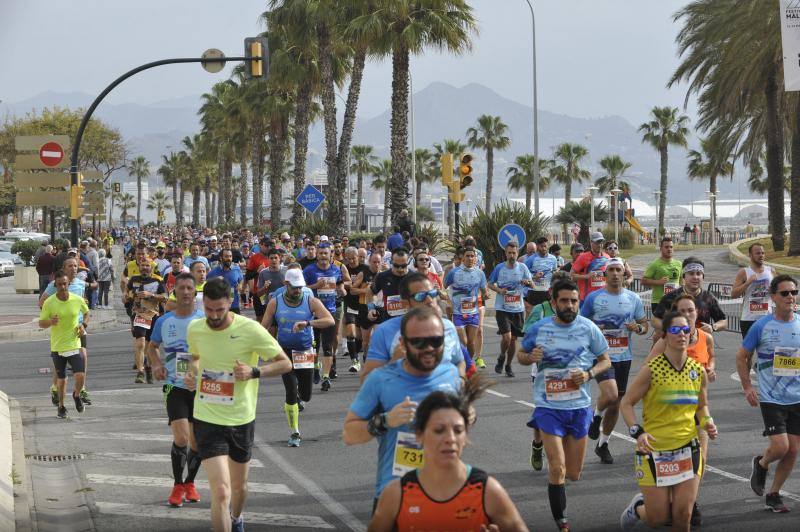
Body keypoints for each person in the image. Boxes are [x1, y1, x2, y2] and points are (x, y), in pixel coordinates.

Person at [183, 277, 292, 532]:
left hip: (240, 418)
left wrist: (254, 371)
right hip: (207, 416)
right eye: (209, 309)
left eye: (220, 310)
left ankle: (237, 517)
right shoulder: (196, 328)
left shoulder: (251, 329)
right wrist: (190, 374)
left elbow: (285, 363)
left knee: (239, 488)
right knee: (221, 492)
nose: (214, 315)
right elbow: (193, 357)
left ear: (230, 303)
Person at [369, 377, 528, 532]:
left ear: (465, 436)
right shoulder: (396, 495)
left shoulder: (488, 492)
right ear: (419, 435)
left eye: (458, 430)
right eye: (439, 430)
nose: (450, 439)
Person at [343, 307, 462, 512]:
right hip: (396, 497)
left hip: (445, 497)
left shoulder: (451, 374)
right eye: (418, 342)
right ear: (402, 343)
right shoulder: (380, 379)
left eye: (436, 341)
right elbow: (349, 434)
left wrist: (468, 416)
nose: (429, 348)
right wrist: (386, 420)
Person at [517, 278, 611, 531]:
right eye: (564, 301)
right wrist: (530, 357)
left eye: (573, 301)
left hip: (579, 407)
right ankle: (562, 522)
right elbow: (521, 354)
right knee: (557, 469)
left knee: (573, 473)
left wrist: (589, 374)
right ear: (553, 302)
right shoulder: (540, 328)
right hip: (548, 406)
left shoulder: (589, 328)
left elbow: (605, 360)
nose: (569, 305)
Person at [620, 311, 717, 531]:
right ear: (664, 335)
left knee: (683, 516)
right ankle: (637, 508)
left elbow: (701, 406)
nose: (681, 334)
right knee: (658, 519)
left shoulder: (697, 371)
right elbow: (626, 403)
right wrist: (638, 432)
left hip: (687, 448)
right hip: (655, 451)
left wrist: (708, 421)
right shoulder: (652, 370)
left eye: (685, 329)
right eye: (675, 330)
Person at [737, 274, 800, 514]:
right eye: (784, 293)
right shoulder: (762, 326)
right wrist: (747, 387)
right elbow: (741, 356)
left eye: (793, 292)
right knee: (781, 447)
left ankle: (774, 493)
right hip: (772, 397)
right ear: (773, 297)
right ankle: (762, 463)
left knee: (793, 450)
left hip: (798, 397)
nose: (790, 297)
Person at [580, 258, 648, 465]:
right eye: (612, 270)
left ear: (623, 273)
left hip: (624, 356)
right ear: (605, 274)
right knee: (610, 395)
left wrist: (638, 328)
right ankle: (596, 415)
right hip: (601, 356)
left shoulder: (633, 298)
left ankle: (603, 444)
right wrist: (594, 328)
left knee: (616, 403)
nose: (616, 274)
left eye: (619, 270)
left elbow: (644, 324)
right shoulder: (594, 298)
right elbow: (580, 323)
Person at [147, 273, 205, 507]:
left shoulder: (204, 320)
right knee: (181, 438)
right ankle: (177, 485)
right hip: (174, 386)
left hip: (201, 387)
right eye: (181, 288)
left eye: (189, 288)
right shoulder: (164, 321)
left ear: (195, 292)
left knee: (197, 443)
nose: (185, 292)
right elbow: (152, 347)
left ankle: (189, 482)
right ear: (175, 291)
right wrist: (157, 364)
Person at [262, 269, 334, 447]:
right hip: (284, 353)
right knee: (291, 392)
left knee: (306, 395)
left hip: (304, 351)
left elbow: (330, 320)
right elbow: (263, 328)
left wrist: (308, 323)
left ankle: (309, 378)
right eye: (294, 288)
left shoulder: (311, 301)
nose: (298, 291)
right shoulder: (274, 303)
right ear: (286, 285)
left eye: (300, 287)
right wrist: (266, 347)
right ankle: (295, 432)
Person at [362, 273, 466, 382]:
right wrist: (394, 362)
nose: (430, 300)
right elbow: (366, 380)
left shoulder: (448, 327)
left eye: (433, 294)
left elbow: (459, 361)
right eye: (420, 296)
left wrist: (460, 379)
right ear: (404, 304)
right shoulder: (384, 332)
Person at [39, 270, 90, 419]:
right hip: (58, 346)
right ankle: (61, 406)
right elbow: (41, 323)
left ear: (69, 284)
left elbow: (86, 313)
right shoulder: (49, 302)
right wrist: (51, 322)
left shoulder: (76, 299)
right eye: (59, 284)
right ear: (55, 285)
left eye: (65, 284)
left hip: (74, 343)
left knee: (80, 375)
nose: (62, 287)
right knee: (62, 380)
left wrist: (83, 325)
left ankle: (76, 394)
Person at [303, 243, 348, 391]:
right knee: (314, 346)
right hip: (313, 313)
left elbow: (341, 285)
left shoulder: (336, 269)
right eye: (320, 253)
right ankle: (315, 368)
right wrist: (316, 285)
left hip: (330, 312)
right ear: (317, 254)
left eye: (325, 253)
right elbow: (301, 289)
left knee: (328, 346)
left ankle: (326, 377)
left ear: (331, 255)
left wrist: (342, 291)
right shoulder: (309, 270)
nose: (323, 256)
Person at [489, 242, 534, 377]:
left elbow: (532, 284)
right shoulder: (499, 268)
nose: (512, 255)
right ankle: (502, 356)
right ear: (505, 253)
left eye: (514, 253)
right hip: (502, 308)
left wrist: (527, 282)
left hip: (518, 309)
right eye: (509, 253)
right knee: (507, 338)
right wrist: (499, 290)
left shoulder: (523, 268)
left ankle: (508, 365)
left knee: (513, 340)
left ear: (518, 253)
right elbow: (490, 283)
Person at [652, 257, 726, 336]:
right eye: (691, 273)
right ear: (684, 276)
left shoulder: (708, 298)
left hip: (700, 343)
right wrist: (670, 329)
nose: (695, 277)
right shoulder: (672, 297)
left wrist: (713, 327)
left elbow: (723, 321)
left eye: (698, 274)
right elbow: (655, 320)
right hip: (677, 341)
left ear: (703, 277)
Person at [444, 247, 487, 370]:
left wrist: (486, 294)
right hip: (458, 313)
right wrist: (448, 300)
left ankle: (467, 365)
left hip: (473, 313)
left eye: (472, 256)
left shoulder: (480, 273)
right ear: (463, 258)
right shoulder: (454, 272)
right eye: (467, 256)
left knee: (471, 343)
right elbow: (445, 287)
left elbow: (484, 291)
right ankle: (465, 365)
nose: (470, 258)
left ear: (475, 259)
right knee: (463, 342)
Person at [125, 260, 167, 384]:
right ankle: (140, 372)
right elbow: (126, 294)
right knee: (140, 343)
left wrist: (151, 295)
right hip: (139, 314)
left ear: (151, 268)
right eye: (142, 265)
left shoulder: (158, 280)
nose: (144, 267)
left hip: (153, 315)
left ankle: (148, 368)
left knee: (149, 346)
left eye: (147, 265)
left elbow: (165, 297)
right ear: (139, 267)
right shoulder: (133, 280)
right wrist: (126, 297)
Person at [732, 242, 777, 338]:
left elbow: (779, 292)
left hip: (766, 318)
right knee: (748, 351)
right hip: (748, 319)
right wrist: (747, 283)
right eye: (757, 253)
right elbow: (734, 294)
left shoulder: (771, 271)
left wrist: (774, 290)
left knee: (767, 350)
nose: (761, 255)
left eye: (763, 253)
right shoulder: (744, 272)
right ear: (750, 255)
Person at [642, 236, 682, 319]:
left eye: (671, 247)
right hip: (659, 302)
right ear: (661, 249)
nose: (669, 249)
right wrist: (658, 282)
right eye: (666, 247)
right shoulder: (655, 264)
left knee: (674, 328)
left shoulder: (679, 264)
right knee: (662, 329)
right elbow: (643, 281)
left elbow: (682, 281)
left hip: (675, 302)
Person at [570, 231, 610, 302]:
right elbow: (571, 276)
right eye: (597, 242)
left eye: (601, 242)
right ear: (591, 243)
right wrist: (587, 276)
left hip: (603, 299)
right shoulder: (583, 257)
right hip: (586, 299)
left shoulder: (607, 257)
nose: (600, 245)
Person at [523, 236, 559, 313]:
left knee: (548, 314)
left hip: (547, 291)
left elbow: (555, 271)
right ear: (537, 246)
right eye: (541, 246)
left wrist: (555, 273)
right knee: (532, 314)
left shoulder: (553, 258)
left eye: (545, 246)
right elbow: (523, 276)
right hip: (534, 291)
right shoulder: (530, 259)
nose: (543, 248)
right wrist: (534, 276)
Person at [207, 249, 244, 314]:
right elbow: (207, 287)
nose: (229, 258)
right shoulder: (213, 273)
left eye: (230, 256)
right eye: (226, 256)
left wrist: (240, 285)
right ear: (221, 258)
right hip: (219, 306)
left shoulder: (236, 269)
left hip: (234, 304)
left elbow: (241, 279)